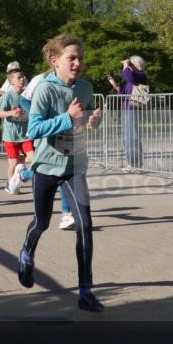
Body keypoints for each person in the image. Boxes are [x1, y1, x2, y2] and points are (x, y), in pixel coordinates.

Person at [17, 34, 104, 312]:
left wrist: (93, 120)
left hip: (74, 166)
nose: (78, 63)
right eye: (72, 58)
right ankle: (26, 254)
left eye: (80, 58)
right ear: (55, 62)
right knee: (41, 223)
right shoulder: (45, 89)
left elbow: (86, 118)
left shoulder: (86, 88)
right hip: (46, 167)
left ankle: (86, 291)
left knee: (85, 226)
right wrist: (66, 117)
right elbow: (34, 129)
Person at [23, 68, 76, 230]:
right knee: (45, 166)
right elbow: (23, 100)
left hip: (66, 136)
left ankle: (66, 214)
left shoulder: (76, 83)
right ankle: (22, 174)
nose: (75, 64)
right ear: (55, 61)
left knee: (62, 170)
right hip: (47, 132)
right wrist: (40, 114)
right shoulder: (40, 80)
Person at [0, 62, 34, 194]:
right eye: (19, 77)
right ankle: (10, 185)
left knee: (32, 158)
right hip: (11, 135)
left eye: (23, 77)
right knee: (12, 164)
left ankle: (19, 171)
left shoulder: (27, 95)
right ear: (11, 81)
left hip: (25, 134)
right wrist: (11, 113)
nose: (22, 79)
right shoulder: (8, 95)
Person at [107, 56, 149, 171]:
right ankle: (133, 163)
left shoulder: (141, 75)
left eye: (131, 64)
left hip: (133, 109)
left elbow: (127, 75)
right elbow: (123, 93)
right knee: (128, 137)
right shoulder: (133, 78)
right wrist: (114, 85)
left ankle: (136, 165)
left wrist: (126, 64)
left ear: (135, 65)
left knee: (132, 136)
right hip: (127, 109)